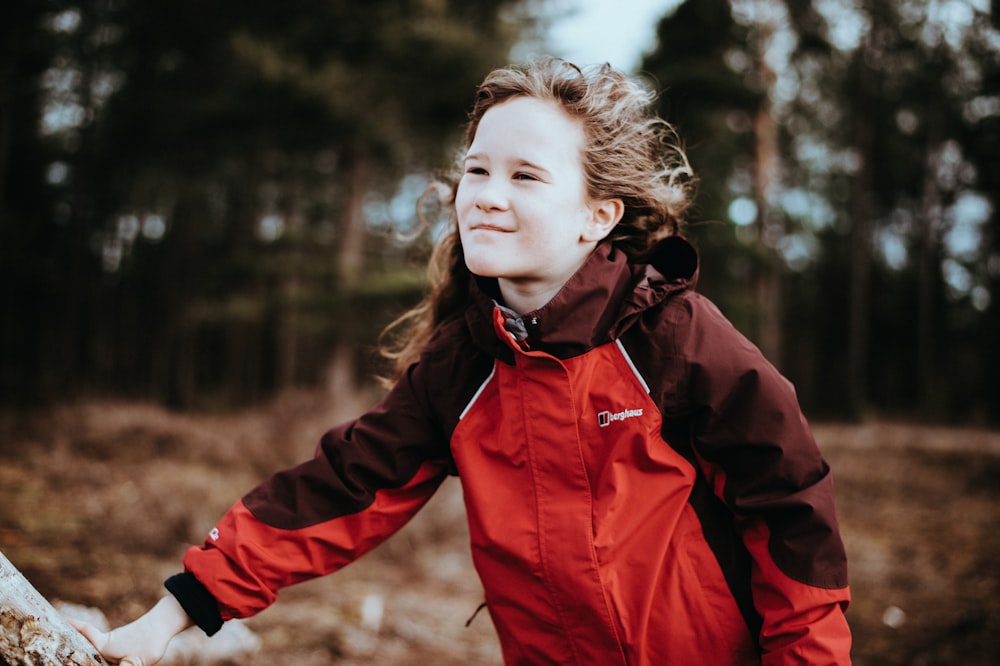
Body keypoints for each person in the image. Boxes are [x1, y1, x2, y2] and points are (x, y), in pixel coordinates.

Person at [72, 57, 852, 665]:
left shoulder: (676, 340)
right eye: (476, 170)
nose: (484, 193)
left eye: (525, 176)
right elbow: (336, 491)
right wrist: (169, 617)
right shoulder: (463, 366)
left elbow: (792, 516)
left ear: (597, 215)